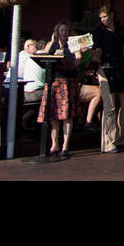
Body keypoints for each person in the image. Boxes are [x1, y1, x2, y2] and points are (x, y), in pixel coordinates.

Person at [91, 3, 124, 154]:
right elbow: (97, 52)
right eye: (101, 17)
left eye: (105, 16)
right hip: (105, 70)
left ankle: (121, 139)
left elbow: (123, 51)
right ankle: (109, 143)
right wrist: (89, 54)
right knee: (110, 107)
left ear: (112, 15)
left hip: (120, 69)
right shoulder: (99, 32)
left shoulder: (120, 30)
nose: (103, 19)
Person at [37, 21, 79, 160]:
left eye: (66, 30)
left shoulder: (73, 43)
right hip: (54, 81)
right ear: (57, 31)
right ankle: (54, 144)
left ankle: (65, 146)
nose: (64, 33)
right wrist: (52, 40)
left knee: (67, 115)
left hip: (67, 81)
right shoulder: (52, 43)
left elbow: (78, 58)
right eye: (62, 30)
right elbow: (44, 54)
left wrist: (78, 56)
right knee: (53, 115)